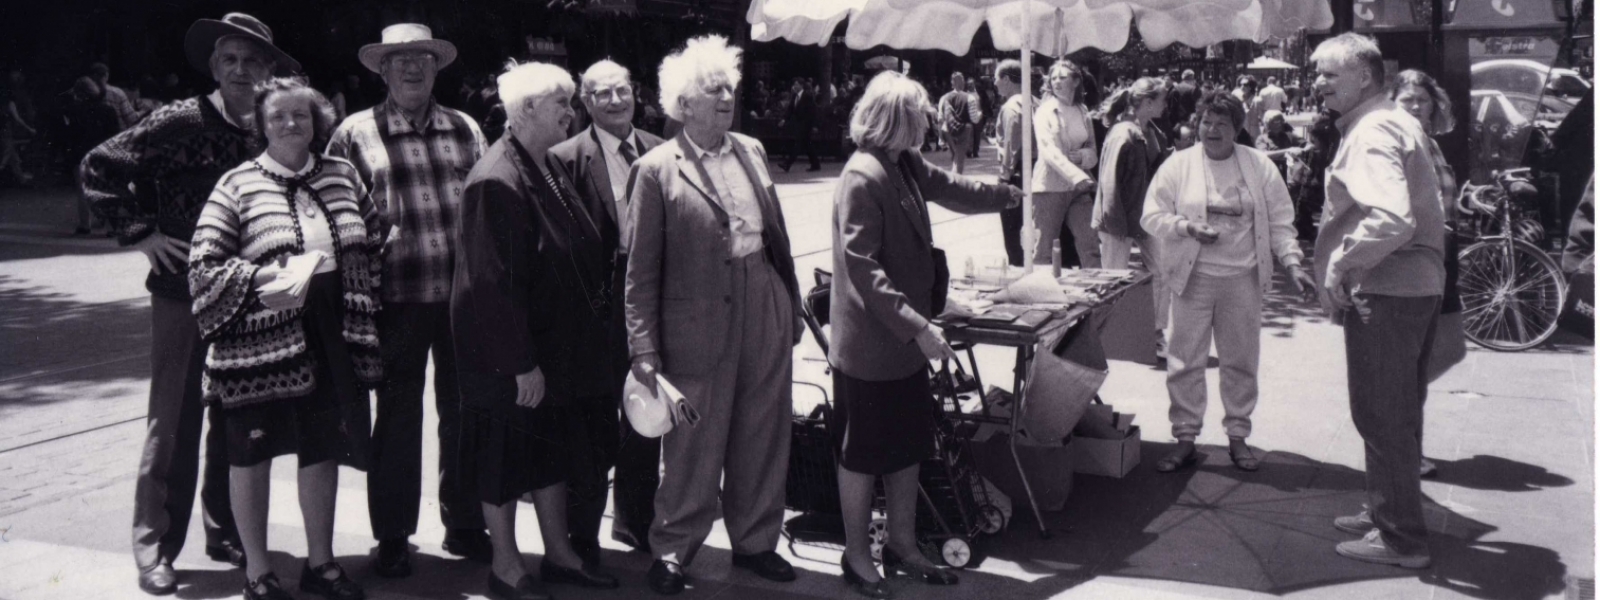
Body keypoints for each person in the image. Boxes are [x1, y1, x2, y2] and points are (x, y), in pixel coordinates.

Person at [82, 13, 295, 595]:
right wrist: (142, 233)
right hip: (182, 292)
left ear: (270, 70)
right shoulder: (176, 120)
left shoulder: (274, 126)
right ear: (214, 67)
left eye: (253, 60)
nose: (241, 70)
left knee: (238, 413)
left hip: (251, 296)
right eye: (229, 59)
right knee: (172, 418)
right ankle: (156, 547)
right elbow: (100, 166)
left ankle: (224, 527)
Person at [830, 71, 1021, 599]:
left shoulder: (904, 162)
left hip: (904, 344)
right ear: (898, 119)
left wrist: (1006, 195)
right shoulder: (863, 176)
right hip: (873, 346)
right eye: (920, 113)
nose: (930, 120)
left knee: (908, 446)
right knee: (862, 454)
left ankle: (903, 544)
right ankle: (856, 555)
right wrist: (918, 327)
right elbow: (862, 268)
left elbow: (952, 188)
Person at [625, 35, 804, 596]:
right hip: (694, 317)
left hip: (763, 298)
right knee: (693, 445)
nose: (727, 96)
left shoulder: (751, 148)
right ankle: (674, 549)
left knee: (763, 430)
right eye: (713, 88)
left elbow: (775, 234)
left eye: (730, 86)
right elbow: (640, 269)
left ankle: (755, 543)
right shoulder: (656, 168)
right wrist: (643, 347)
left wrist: (789, 302)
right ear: (683, 103)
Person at [190, 76, 379, 600]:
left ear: (317, 120)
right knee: (251, 455)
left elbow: (371, 234)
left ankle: (321, 565)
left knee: (321, 449)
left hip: (330, 334)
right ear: (261, 124)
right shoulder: (238, 184)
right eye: (278, 116)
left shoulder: (341, 174)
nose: (291, 124)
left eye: (300, 115)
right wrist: (260, 280)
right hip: (256, 344)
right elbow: (202, 267)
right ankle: (258, 572)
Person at [451, 60, 624, 600]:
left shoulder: (543, 162)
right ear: (527, 110)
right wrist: (520, 363)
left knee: (550, 453)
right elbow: (490, 285)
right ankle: (505, 566)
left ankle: (560, 556)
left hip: (550, 349)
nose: (571, 113)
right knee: (502, 460)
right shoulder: (496, 179)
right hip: (508, 357)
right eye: (562, 104)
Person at [324, 23, 490, 577]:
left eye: (421, 59)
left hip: (463, 299)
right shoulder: (354, 133)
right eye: (399, 61)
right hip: (394, 297)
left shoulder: (465, 128)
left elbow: (489, 208)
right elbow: (329, 208)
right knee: (395, 418)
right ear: (383, 71)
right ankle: (393, 533)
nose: (412, 69)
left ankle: (464, 521)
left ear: (436, 67)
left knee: (465, 411)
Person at [1311, 33, 1446, 569]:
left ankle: (1400, 538)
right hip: (1412, 285)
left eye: (1326, 74)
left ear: (1363, 76)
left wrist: (1344, 263)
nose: (1316, 83)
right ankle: (1387, 509)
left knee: (1381, 412)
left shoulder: (1373, 128)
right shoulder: (1393, 119)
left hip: (1389, 289)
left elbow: (1391, 216)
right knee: (1395, 411)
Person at [1140, 92, 1316, 475]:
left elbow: (1282, 221)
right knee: (1185, 360)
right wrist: (1185, 227)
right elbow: (1151, 216)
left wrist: (1292, 262)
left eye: (1222, 123)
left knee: (1240, 361)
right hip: (1192, 278)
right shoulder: (1178, 164)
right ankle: (1185, 437)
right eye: (1206, 122)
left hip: (1243, 279)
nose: (1212, 129)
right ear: (1196, 124)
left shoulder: (1258, 166)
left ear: (1238, 128)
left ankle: (1238, 435)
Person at [549, 59, 668, 560]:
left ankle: (634, 521)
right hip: (595, 301)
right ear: (586, 102)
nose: (615, 101)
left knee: (646, 411)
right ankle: (583, 536)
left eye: (621, 91)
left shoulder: (661, 150)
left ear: (635, 93)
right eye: (602, 94)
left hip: (649, 294)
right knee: (595, 418)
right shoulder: (566, 158)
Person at [1391, 69, 1462, 478]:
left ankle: (1395, 408)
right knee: (1413, 361)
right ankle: (1403, 441)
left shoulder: (1429, 143)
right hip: (1421, 257)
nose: (1417, 106)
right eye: (1407, 100)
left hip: (1445, 253)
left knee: (1450, 348)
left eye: (1422, 100)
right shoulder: (1397, 142)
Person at [1093, 77, 1172, 356]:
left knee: (1162, 271)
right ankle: (1102, 334)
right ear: (1148, 102)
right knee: (1113, 278)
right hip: (1119, 219)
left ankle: (1156, 331)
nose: (1166, 105)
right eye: (1162, 100)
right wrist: (1116, 225)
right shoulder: (1123, 133)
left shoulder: (1151, 131)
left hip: (1146, 215)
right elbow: (1110, 183)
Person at [1033, 58, 1099, 268]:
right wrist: (1076, 176)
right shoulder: (1045, 111)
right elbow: (1049, 151)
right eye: (1053, 78)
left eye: (1062, 77)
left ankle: (1098, 291)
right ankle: (1039, 293)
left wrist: (1081, 157)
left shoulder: (1082, 110)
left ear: (1076, 81)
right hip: (1050, 188)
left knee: (1091, 245)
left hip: (1079, 190)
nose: (1057, 82)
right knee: (1043, 250)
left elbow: (1092, 150)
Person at [62, 77, 120, 235]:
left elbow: (70, 135)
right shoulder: (108, 109)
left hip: (81, 154)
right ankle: (111, 226)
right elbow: (115, 134)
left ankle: (84, 225)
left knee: (82, 191)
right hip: (103, 154)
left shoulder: (74, 110)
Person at [993, 59, 1028, 266]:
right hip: (1035, 171)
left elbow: (1011, 144)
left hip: (1016, 174)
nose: (995, 84)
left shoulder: (1011, 106)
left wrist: (1004, 177)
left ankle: (1017, 269)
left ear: (1006, 79)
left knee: (1013, 231)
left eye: (996, 79)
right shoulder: (1034, 100)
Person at [938, 72, 981, 174]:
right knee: (960, 159)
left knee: (955, 156)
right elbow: (974, 119)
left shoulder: (944, 98)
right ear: (963, 83)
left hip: (948, 130)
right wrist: (980, 114)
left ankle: (954, 181)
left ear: (952, 83)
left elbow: (940, 119)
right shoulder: (970, 97)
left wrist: (940, 138)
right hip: (964, 130)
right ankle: (955, 184)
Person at [1, 69, 37, 186]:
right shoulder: (10, 103)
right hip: (6, 131)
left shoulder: (9, 103)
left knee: (12, 156)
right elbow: (18, 119)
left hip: (7, 131)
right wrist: (29, 129)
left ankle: (21, 178)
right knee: (8, 154)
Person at [779, 79, 821, 172]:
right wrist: (784, 119)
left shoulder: (807, 96)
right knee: (808, 144)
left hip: (807, 124)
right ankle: (816, 164)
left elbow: (813, 111)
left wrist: (814, 125)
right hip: (799, 124)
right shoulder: (795, 96)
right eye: (794, 84)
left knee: (797, 144)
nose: (794, 86)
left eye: (796, 84)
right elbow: (790, 109)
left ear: (801, 86)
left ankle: (787, 164)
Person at [89, 62, 143, 131]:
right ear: (106, 75)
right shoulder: (117, 93)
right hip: (117, 135)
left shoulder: (84, 93)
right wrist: (141, 113)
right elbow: (131, 119)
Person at [1254, 110, 1305, 182]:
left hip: (1290, 175)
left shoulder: (1289, 136)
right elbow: (1264, 154)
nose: (1280, 124)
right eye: (1276, 122)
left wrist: (1302, 151)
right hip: (1271, 175)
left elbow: (1308, 144)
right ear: (1267, 123)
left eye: (1281, 121)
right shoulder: (1262, 139)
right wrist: (1288, 151)